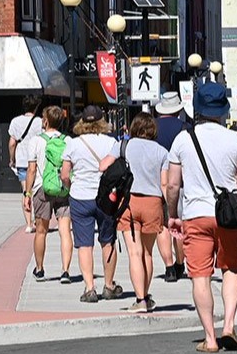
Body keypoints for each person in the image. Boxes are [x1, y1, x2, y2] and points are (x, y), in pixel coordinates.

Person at [164, 82, 237, 353]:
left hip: (195, 215)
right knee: (231, 269)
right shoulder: (236, 138)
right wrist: (230, 189)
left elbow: (172, 185)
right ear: (223, 110)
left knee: (200, 276)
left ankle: (210, 338)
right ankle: (229, 325)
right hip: (227, 215)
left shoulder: (183, 139)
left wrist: (172, 214)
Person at [97, 112, 168, 313]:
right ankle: (146, 295)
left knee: (134, 253)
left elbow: (103, 166)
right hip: (153, 202)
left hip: (129, 202)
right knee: (147, 253)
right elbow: (165, 184)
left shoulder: (123, 146)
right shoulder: (162, 152)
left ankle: (140, 300)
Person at [60, 105, 121, 303]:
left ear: (82, 122)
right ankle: (109, 285)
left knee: (84, 244)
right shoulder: (112, 142)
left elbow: (65, 174)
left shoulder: (73, 144)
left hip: (80, 196)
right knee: (107, 241)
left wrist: (70, 187)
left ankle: (89, 288)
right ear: (102, 121)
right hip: (105, 198)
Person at [25, 106, 73, 284]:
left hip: (41, 188)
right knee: (65, 230)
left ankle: (39, 269)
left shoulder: (35, 141)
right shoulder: (67, 140)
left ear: (45, 121)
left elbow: (31, 169)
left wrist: (27, 193)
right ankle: (65, 271)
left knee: (41, 231)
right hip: (62, 188)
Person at [153, 92, 187, 282]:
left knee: (163, 226)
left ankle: (168, 267)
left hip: (156, 182)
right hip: (179, 183)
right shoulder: (184, 128)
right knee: (178, 223)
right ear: (179, 109)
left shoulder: (152, 127)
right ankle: (180, 263)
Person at [10, 95, 44, 233]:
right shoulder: (40, 122)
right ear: (36, 107)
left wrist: (12, 159)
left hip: (22, 160)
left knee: (26, 191)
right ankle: (38, 219)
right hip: (36, 159)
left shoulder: (15, 121)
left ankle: (29, 223)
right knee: (36, 190)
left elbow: (12, 143)